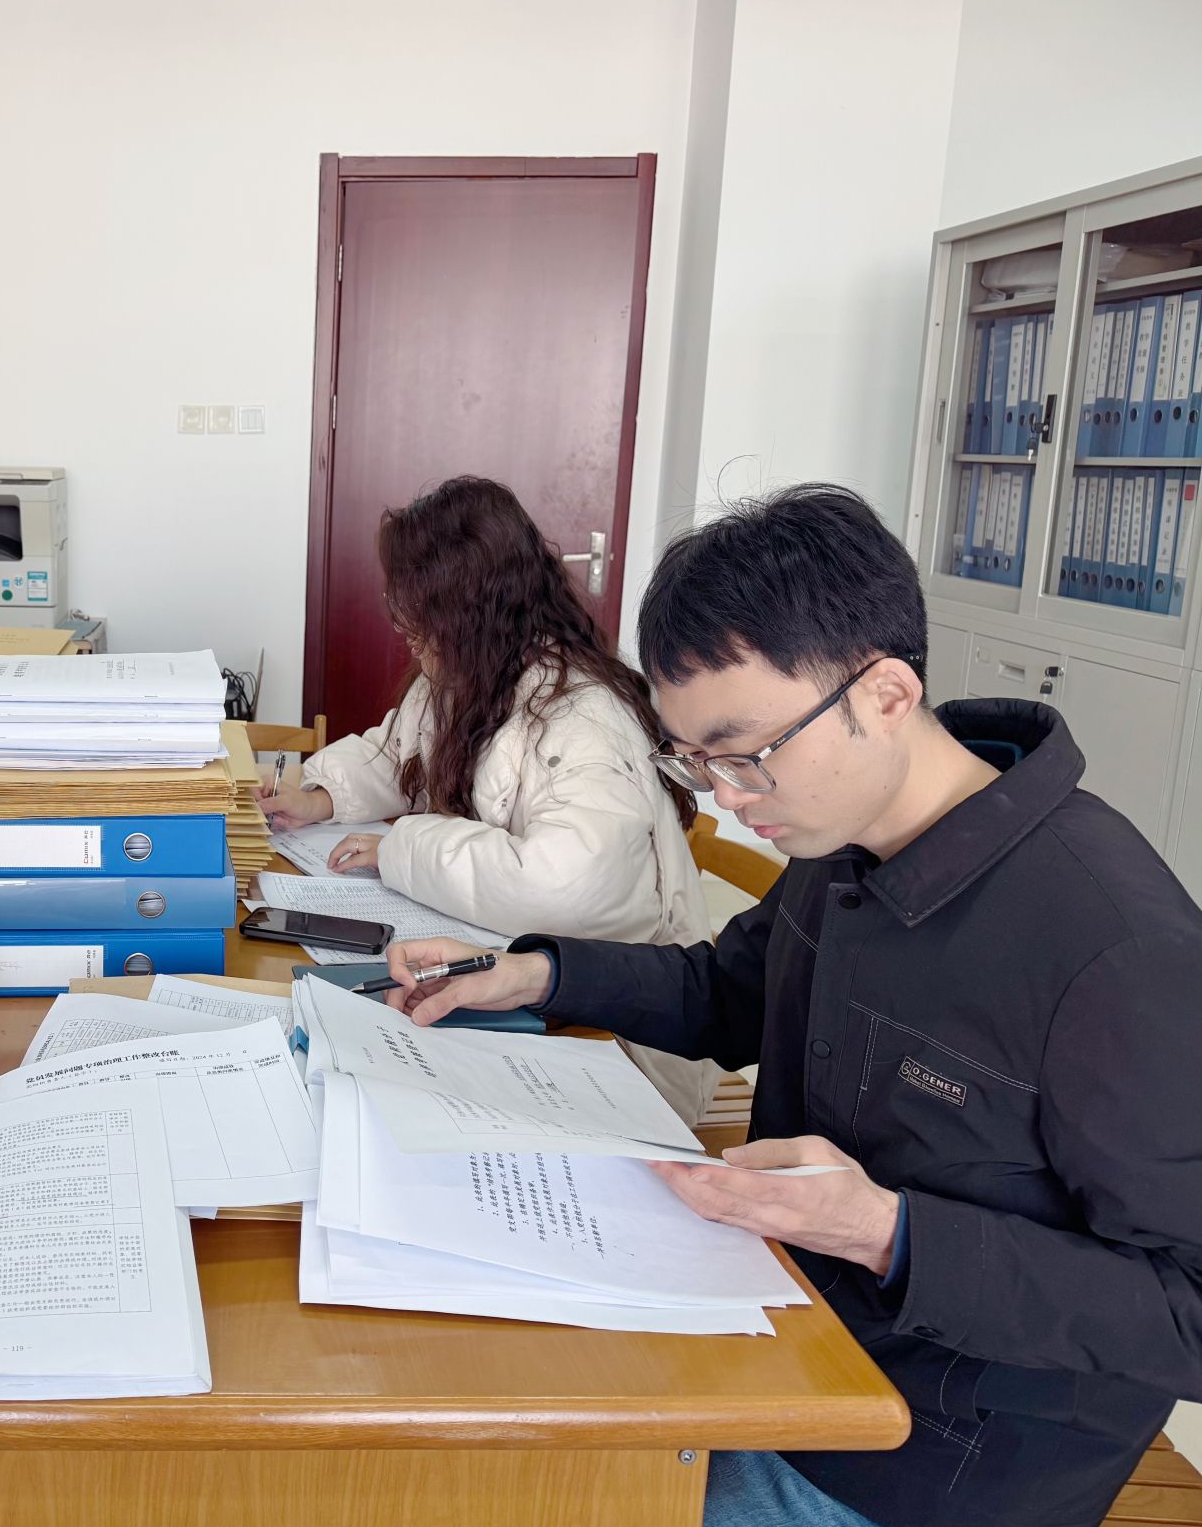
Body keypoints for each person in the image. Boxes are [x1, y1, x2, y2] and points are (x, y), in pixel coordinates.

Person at [383, 484, 1202, 1527]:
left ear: (886, 694)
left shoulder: (1115, 949)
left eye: (747, 753)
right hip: (777, 1324)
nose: (726, 797)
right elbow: (727, 990)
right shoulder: (843, 833)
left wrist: (888, 1234)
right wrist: (535, 975)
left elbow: (1186, 1307)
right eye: (696, 760)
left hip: (922, 1460)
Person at [256, 475, 707, 948]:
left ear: (467, 606)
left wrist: (403, 852)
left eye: (414, 603)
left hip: (609, 977)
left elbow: (566, 891)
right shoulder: (468, 674)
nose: (400, 623)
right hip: (508, 948)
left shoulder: (585, 717)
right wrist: (319, 796)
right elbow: (399, 757)